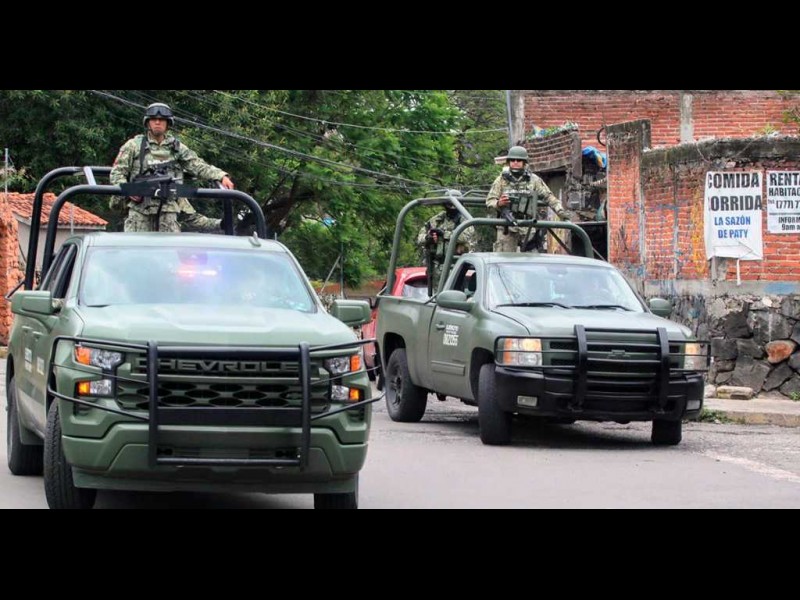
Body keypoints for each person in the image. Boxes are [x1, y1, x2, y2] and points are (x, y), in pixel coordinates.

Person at [110, 102, 235, 233]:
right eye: (154, 119)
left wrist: (221, 176)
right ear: (148, 122)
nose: (157, 122)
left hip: (168, 210)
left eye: (162, 120)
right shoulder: (133, 145)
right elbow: (117, 173)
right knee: (136, 245)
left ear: (168, 123)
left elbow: (197, 165)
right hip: (139, 210)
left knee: (169, 245)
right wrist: (129, 190)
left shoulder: (176, 148)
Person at [486, 145, 572, 252]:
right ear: (509, 162)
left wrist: (561, 212)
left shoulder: (534, 180)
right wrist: (499, 203)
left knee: (531, 259)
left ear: (524, 162)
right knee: (505, 259)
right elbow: (490, 201)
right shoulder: (501, 180)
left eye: (519, 160)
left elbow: (549, 197)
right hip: (507, 227)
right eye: (512, 160)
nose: (515, 162)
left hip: (529, 227)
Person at [416, 201, 477, 291]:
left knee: (454, 294)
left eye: (454, 205)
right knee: (437, 295)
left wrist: (444, 234)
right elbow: (420, 238)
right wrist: (428, 238)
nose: (452, 207)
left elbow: (464, 237)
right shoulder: (437, 220)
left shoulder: (465, 221)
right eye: (449, 205)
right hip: (437, 266)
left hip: (456, 266)